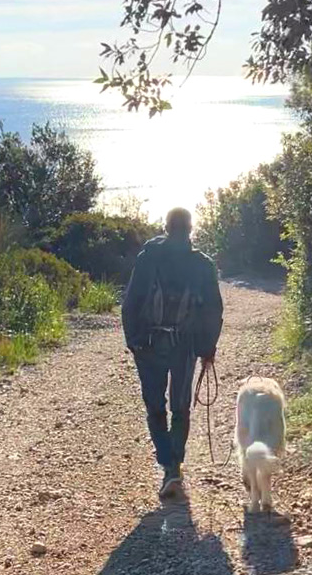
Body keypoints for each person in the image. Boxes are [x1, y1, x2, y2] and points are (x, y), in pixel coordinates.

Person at [122, 207, 224, 498]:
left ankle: (169, 465)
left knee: (155, 407)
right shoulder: (202, 263)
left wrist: (134, 341)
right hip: (185, 344)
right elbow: (213, 309)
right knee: (180, 408)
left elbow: (131, 301)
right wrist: (207, 347)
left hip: (149, 344)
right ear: (190, 229)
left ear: (165, 228)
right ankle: (173, 467)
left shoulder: (148, 258)